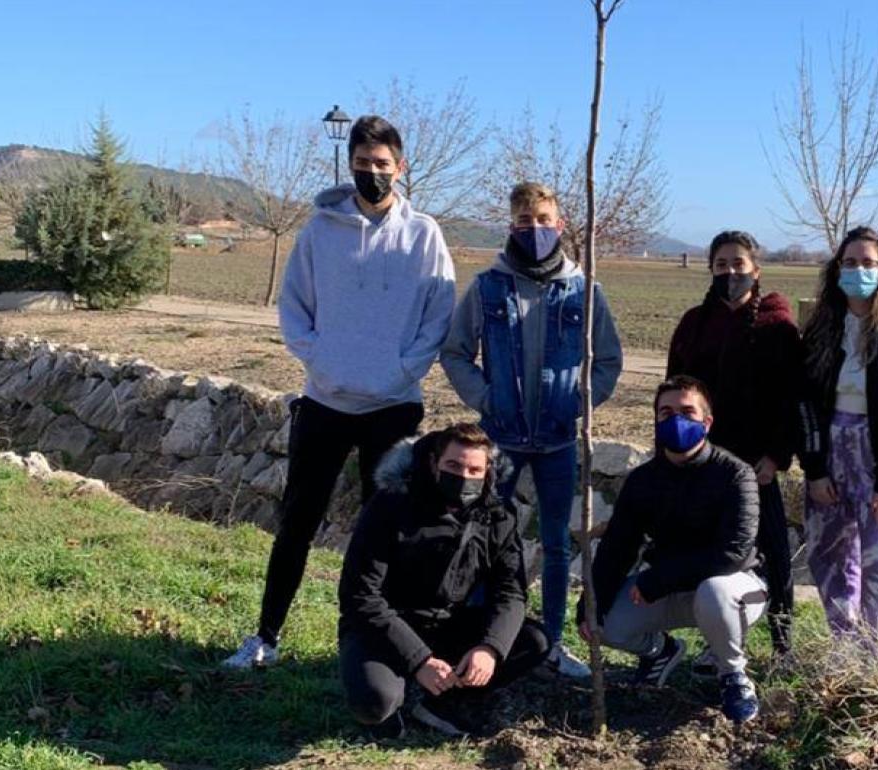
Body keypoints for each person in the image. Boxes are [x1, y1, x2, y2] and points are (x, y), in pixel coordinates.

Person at [224, 115, 457, 669]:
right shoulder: (319, 231)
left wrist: (405, 368)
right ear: (349, 164)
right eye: (362, 163)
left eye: (382, 164)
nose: (372, 173)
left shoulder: (424, 234)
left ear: (401, 168)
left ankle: (384, 648)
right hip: (325, 402)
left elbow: (439, 312)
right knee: (297, 522)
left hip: (394, 407)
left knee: (391, 530)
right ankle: (266, 636)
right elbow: (294, 306)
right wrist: (320, 361)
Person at [440, 181, 623, 679]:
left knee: (558, 544)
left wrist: (579, 403)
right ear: (511, 226)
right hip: (499, 440)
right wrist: (486, 397)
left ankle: (554, 645)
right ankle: (480, 641)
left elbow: (608, 360)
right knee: (481, 536)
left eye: (543, 221)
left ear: (560, 225)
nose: (535, 229)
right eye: (525, 222)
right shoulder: (487, 287)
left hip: (558, 439)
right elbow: (455, 352)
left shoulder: (584, 291)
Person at [337, 423, 549, 738]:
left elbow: (511, 592)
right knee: (375, 703)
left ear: (487, 471)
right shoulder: (391, 505)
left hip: (448, 623)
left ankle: (446, 699)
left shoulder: (498, 516)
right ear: (434, 463)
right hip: (384, 627)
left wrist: (490, 648)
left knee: (534, 642)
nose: (464, 476)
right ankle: (397, 694)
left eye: (474, 469)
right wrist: (418, 658)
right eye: (453, 465)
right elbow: (360, 596)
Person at [579, 376, 764, 724]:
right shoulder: (642, 480)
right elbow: (618, 546)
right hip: (666, 589)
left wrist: (658, 581)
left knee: (714, 590)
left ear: (706, 422)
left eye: (687, 411)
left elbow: (733, 552)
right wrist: (592, 602)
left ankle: (733, 674)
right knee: (608, 626)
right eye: (666, 412)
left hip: (732, 588)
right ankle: (661, 651)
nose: (676, 420)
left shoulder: (736, 475)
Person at [797, 226, 878, 659]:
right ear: (837, 269)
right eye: (851, 262)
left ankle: (877, 662)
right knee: (830, 558)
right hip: (830, 452)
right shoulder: (821, 330)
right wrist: (814, 470)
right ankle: (844, 651)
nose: (859, 270)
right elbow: (803, 403)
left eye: (868, 263)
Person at [666, 230, 800, 659]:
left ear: (756, 270)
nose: (730, 273)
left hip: (755, 463)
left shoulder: (777, 327)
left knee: (774, 554)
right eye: (721, 265)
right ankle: (715, 640)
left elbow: (790, 397)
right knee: (710, 555)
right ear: (711, 269)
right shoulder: (693, 324)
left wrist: (777, 455)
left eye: (738, 264)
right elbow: (672, 391)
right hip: (703, 462)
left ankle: (782, 643)